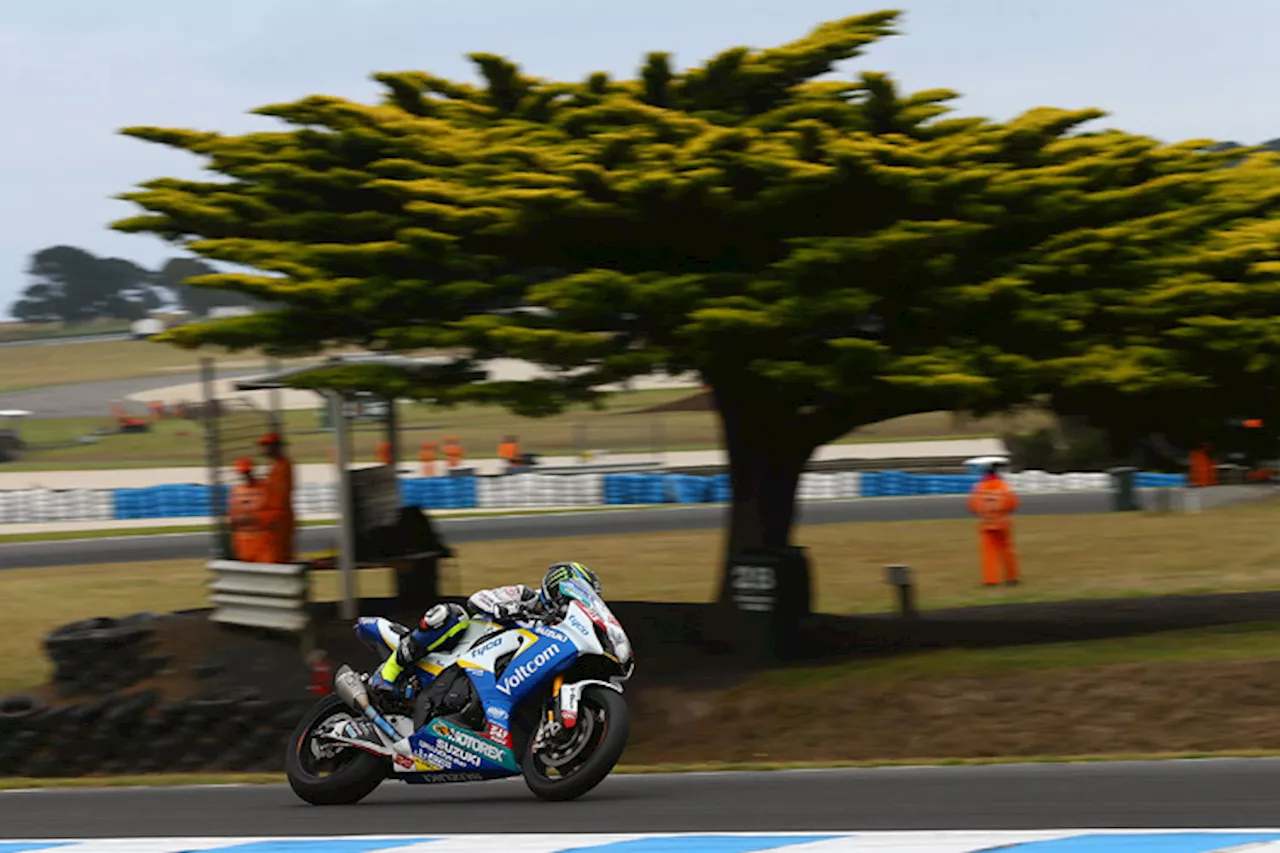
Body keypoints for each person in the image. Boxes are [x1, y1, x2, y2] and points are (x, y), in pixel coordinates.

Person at [368, 562, 602, 699]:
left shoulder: (558, 632)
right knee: (453, 615)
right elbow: (478, 599)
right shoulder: (525, 596)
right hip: (466, 649)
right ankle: (387, 674)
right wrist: (509, 608)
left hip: (493, 679)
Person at [966, 459, 1020, 586]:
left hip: (985, 524)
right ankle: (1012, 577)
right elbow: (1013, 504)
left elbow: (972, 506)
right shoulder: (1005, 487)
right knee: (1007, 550)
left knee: (989, 553)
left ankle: (991, 580)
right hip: (1002, 522)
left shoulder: (978, 488)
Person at [258, 432, 295, 563]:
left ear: (276, 447)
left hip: (280, 518)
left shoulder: (283, 466)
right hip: (274, 518)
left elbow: (278, 495)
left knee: (279, 557)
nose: (265, 449)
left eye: (268, 446)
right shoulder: (275, 467)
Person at [228, 457, 268, 562]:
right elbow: (233, 517)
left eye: (247, 471)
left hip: (262, 541)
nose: (245, 474)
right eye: (243, 472)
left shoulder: (265, 487)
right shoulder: (236, 491)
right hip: (243, 542)